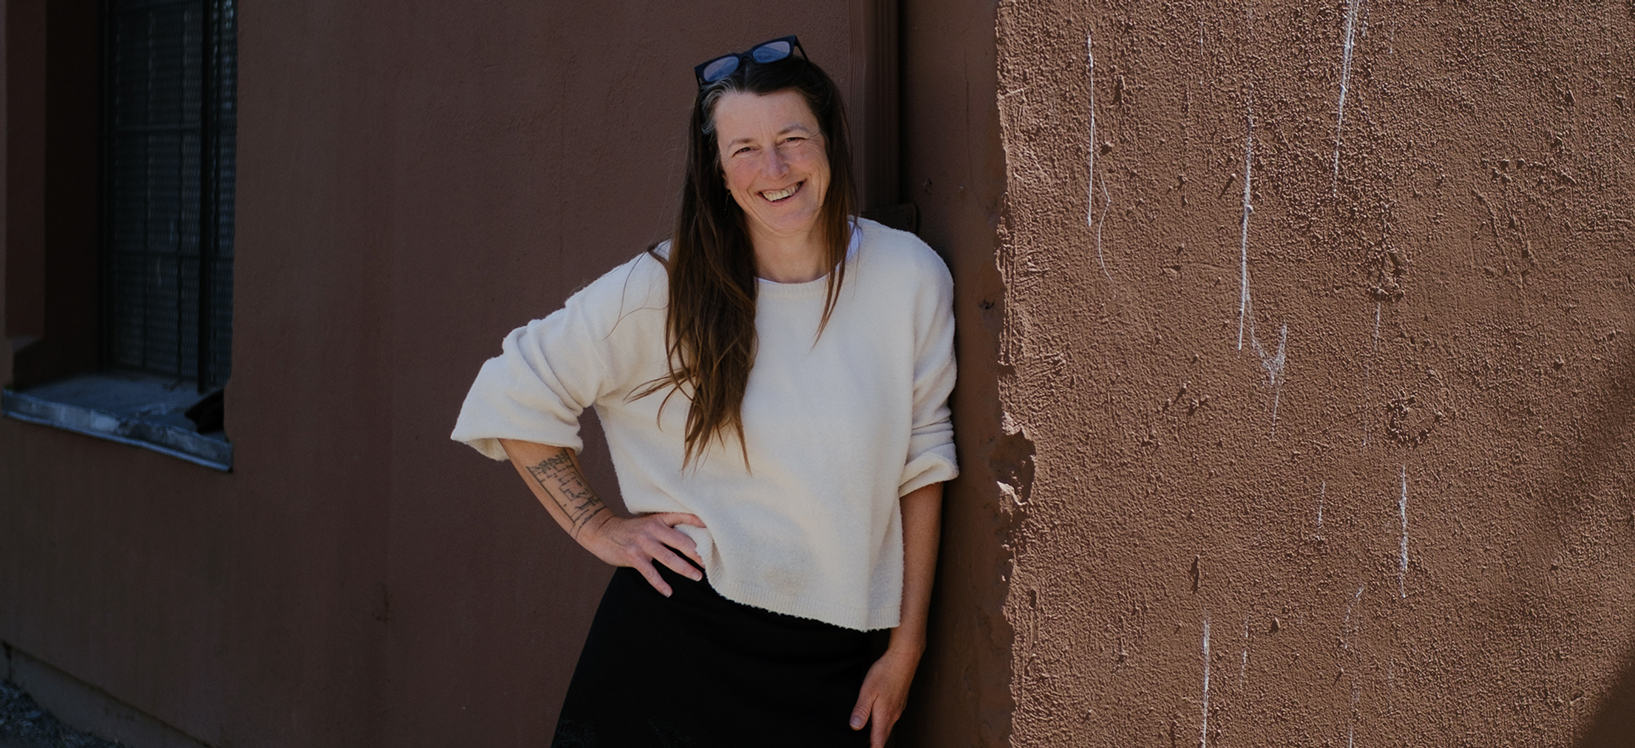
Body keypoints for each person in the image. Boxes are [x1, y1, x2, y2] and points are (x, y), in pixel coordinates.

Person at [451, 35, 957, 747]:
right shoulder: (659, 287)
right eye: (743, 148)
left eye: (791, 138)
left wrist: (906, 650)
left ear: (829, 143)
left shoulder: (909, 276)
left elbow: (923, 464)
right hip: (674, 649)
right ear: (717, 170)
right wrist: (596, 525)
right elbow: (511, 392)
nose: (773, 168)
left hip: (836, 668)